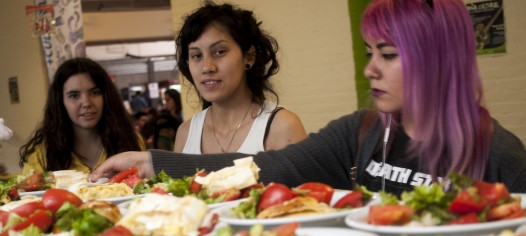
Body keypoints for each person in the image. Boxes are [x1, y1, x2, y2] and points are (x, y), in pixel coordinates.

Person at [92, 0, 526, 195]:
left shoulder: (501, 154)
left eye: (389, 55)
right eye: (370, 52)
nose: (370, 69)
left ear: (440, 60)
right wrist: (151, 162)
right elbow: (261, 167)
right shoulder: (360, 131)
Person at [172, 1, 307, 154]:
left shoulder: (282, 127)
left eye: (220, 52)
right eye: (196, 55)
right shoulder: (185, 133)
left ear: (249, 56)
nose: (207, 67)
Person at [20, 57, 145, 174]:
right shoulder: (41, 155)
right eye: (74, 95)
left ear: (106, 97)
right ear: (60, 102)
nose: (86, 103)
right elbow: (28, 196)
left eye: (94, 92)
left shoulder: (130, 141)